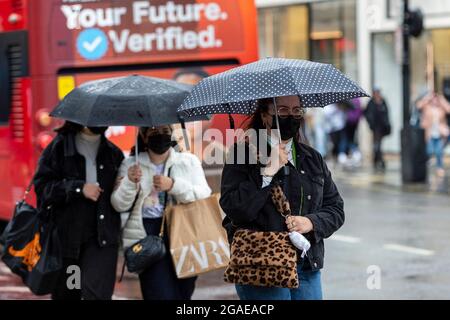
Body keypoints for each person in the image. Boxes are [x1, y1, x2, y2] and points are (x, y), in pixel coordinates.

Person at [220, 95, 345, 300]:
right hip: (261, 264)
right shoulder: (241, 154)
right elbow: (236, 209)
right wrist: (267, 172)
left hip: (306, 265)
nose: (291, 116)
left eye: (297, 111)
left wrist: (311, 222)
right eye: (283, 111)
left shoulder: (312, 158)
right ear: (265, 116)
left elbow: (336, 209)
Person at [111, 125, 212, 300]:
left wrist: (173, 185)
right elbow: (119, 205)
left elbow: (204, 194)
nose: (161, 136)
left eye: (165, 132)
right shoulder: (131, 164)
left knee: (183, 292)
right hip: (147, 234)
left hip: (184, 231)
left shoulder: (187, 161)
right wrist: (129, 181)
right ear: (143, 136)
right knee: (159, 293)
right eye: (154, 132)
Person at [33, 121, 124, 300]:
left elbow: (122, 199)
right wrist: (78, 188)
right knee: (68, 294)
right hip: (68, 243)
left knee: (97, 295)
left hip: (102, 240)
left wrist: (125, 185)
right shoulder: (59, 148)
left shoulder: (114, 154)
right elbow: (43, 189)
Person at [416, 91, 450, 177]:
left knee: (439, 152)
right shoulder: (427, 107)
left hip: (439, 134)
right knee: (429, 151)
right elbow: (418, 105)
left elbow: (448, 109)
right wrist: (427, 97)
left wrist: (442, 99)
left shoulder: (441, 108)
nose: (435, 100)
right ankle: (424, 165)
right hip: (429, 133)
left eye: (436, 99)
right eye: (433, 99)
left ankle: (439, 168)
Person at [364, 89, 391, 172]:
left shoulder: (383, 101)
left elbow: (386, 113)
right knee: (377, 144)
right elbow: (366, 113)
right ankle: (379, 160)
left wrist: (387, 124)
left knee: (378, 144)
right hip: (375, 127)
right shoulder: (371, 102)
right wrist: (370, 123)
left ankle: (377, 160)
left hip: (382, 127)